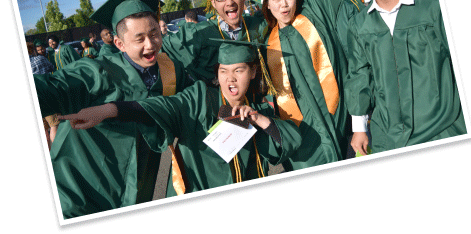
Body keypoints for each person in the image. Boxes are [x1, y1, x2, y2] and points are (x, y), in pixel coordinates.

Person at [58, 39, 301, 196]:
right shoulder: (199, 98)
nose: (231, 79)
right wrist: (110, 109)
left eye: (239, 70)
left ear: (253, 71)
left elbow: (290, 142)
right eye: (224, 71)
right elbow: (163, 105)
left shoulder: (259, 109)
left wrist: (258, 119)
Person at [33, 0, 192, 219]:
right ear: (119, 43)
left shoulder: (171, 69)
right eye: (139, 39)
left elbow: (192, 102)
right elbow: (51, 88)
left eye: (154, 34)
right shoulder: (96, 71)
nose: (151, 44)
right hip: (84, 185)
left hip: (141, 181)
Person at [335, 0, 466, 155]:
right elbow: (359, 75)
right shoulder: (359, 24)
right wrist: (359, 128)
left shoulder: (433, 9)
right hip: (389, 136)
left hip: (443, 127)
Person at [247, 0, 353, 170]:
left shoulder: (313, 18)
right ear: (267, 5)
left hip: (335, 116)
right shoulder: (265, 43)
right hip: (302, 132)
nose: (284, 4)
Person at [161, 0, 268, 85]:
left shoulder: (257, 25)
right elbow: (157, 49)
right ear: (213, 3)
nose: (230, 2)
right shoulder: (198, 33)